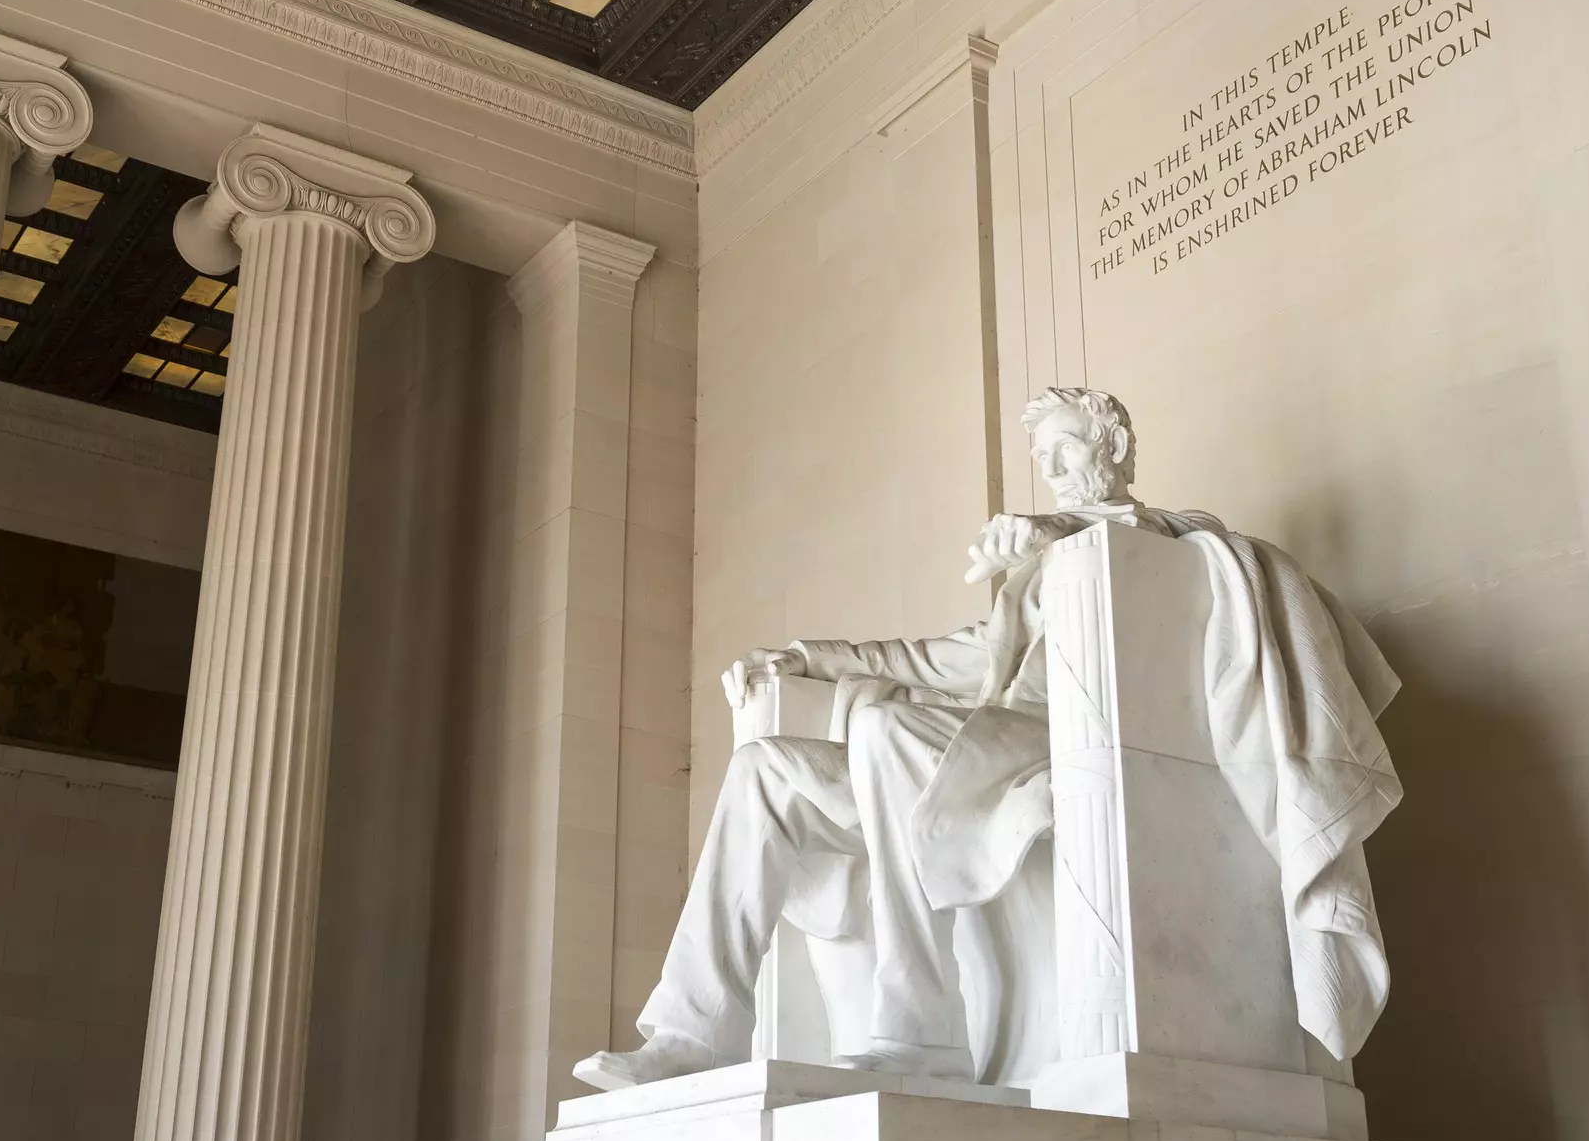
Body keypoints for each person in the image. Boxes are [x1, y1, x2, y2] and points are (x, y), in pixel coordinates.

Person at [576, 388, 1402, 1090]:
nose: (1053, 466)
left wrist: (1062, 538)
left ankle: (921, 1029)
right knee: (767, 768)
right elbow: (936, 658)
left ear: (1113, 447)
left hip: (1059, 746)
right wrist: (801, 656)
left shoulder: (1170, 543)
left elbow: (1174, 576)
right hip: (970, 752)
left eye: (1066, 446)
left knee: (885, 726)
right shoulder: (1031, 578)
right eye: (1042, 454)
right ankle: (693, 1033)